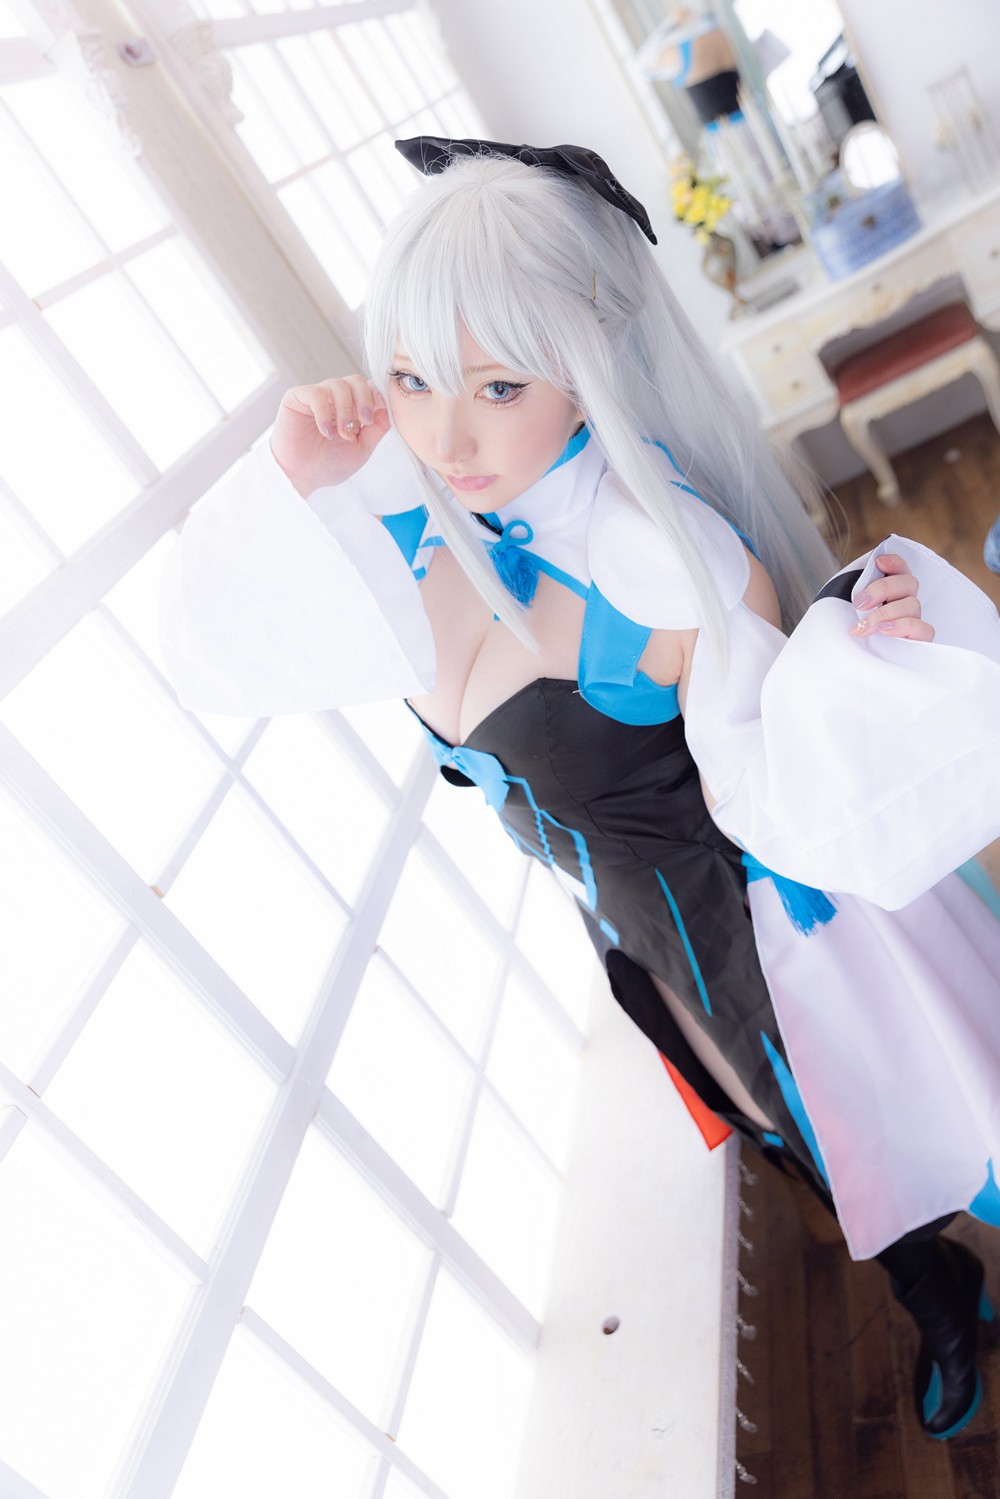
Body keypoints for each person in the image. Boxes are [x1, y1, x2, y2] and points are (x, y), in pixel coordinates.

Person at [161, 137, 1000, 1441]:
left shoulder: (656, 549)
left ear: (584, 360)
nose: (447, 432)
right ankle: (932, 1284)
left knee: (861, 1111)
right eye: (411, 375)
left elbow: (771, 770)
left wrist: (850, 645)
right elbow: (217, 656)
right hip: (629, 929)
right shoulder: (414, 506)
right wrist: (298, 476)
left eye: (498, 384)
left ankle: (938, 1293)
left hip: (754, 926)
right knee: (778, 1128)